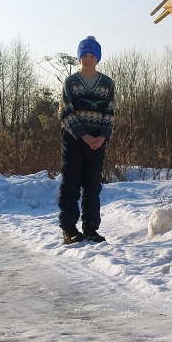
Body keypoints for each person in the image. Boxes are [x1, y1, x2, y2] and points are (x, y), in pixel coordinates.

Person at [58, 36, 116, 244]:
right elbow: (65, 112)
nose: (88, 59)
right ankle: (69, 229)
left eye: (92, 55)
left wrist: (101, 137)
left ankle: (90, 228)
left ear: (97, 58)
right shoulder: (71, 83)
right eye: (84, 55)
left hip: (97, 143)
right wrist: (83, 135)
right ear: (79, 57)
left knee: (92, 186)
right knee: (71, 184)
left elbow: (110, 113)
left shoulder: (108, 84)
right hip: (74, 140)